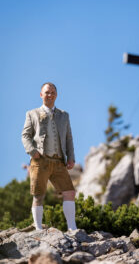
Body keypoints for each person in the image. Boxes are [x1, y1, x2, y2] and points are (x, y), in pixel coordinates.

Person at [22, 82, 77, 231]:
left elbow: (68, 138)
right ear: (41, 95)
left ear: (56, 95)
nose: (50, 95)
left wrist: (71, 157)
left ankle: (72, 229)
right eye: (47, 92)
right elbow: (25, 136)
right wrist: (33, 151)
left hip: (59, 161)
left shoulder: (64, 115)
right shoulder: (31, 113)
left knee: (69, 192)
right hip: (40, 161)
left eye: (53, 92)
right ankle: (38, 228)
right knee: (38, 195)